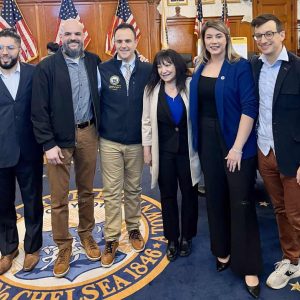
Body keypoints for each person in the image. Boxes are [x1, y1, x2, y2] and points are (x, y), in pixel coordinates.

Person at [190, 20, 262, 298]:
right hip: (207, 142)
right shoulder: (200, 67)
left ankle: (249, 266)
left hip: (236, 142)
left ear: (227, 38)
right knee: (216, 198)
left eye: (219, 36)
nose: (214, 41)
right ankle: (222, 250)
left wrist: (237, 147)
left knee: (241, 201)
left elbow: (249, 107)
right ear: (204, 40)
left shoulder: (239, 66)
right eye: (209, 37)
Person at [31, 18, 101, 278]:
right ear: (60, 36)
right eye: (68, 34)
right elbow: (38, 110)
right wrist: (48, 144)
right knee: (59, 198)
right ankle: (63, 246)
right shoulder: (47, 67)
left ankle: (87, 235)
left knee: (87, 191)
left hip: (88, 134)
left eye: (77, 33)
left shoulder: (93, 61)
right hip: (58, 142)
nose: (73, 37)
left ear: (84, 35)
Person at [251, 14, 300, 290]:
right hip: (264, 150)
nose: (263, 40)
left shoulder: (297, 68)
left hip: (292, 154)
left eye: (269, 34)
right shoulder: (253, 67)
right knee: (280, 209)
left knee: (296, 212)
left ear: (282, 34)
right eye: (259, 35)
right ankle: (292, 259)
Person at [98, 23, 152, 268]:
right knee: (111, 192)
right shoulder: (103, 69)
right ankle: (111, 239)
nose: (123, 45)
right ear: (114, 43)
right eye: (119, 41)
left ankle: (132, 229)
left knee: (133, 188)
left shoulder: (148, 70)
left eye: (128, 41)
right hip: (109, 141)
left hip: (137, 142)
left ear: (135, 42)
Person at [142, 49, 200, 261]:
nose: (164, 70)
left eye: (168, 65)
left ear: (177, 65)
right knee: (167, 196)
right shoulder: (151, 90)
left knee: (189, 194)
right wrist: (147, 150)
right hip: (163, 152)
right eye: (159, 66)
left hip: (187, 151)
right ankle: (172, 239)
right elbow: (146, 122)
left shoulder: (190, 86)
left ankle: (187, 236)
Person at [0, 28, 43, 274]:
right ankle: (8, 249)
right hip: (1, 152)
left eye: (10, 48)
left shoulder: (33, 74)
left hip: (29, 151)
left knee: (33, 202)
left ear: (19, 49)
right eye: (1, 48)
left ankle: (33, 247)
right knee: (3, 204)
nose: (4, 53)